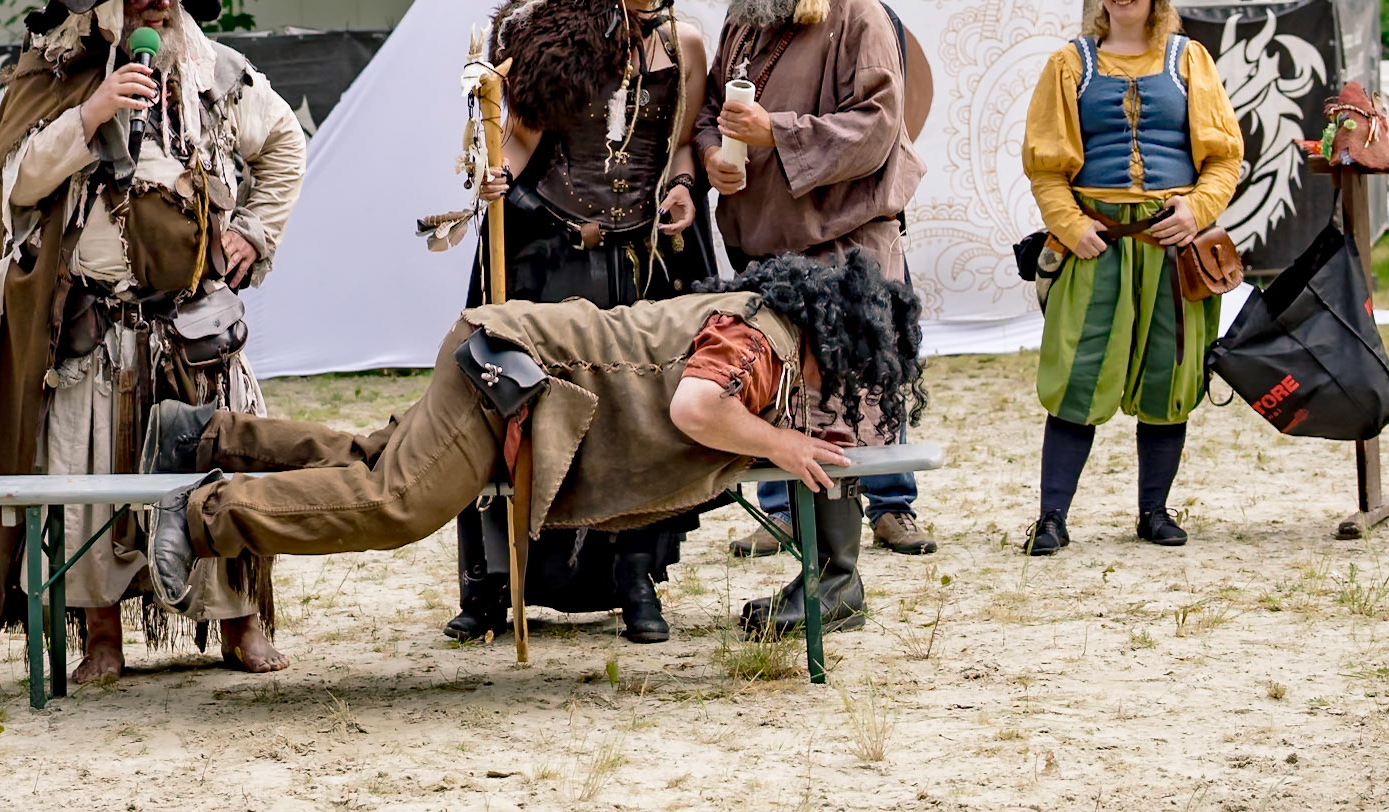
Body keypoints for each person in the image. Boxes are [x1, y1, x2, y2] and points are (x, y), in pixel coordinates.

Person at [139, 253, 927, 639]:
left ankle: (203, 433)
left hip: (516, 361)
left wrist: (786, 437)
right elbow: (696, 407)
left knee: (378, 462)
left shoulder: (765, 330)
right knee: (400, 504)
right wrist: (782, 446)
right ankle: (203, 511)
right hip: (511, 377)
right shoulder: (763, 341)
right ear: (847, 340)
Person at [0, 0, 306, 680]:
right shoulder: (53, 74)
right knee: (86, 486)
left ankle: (239, 624)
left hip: (195, 326)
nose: (159, 2)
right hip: (98, 329)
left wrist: (254, 230)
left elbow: (284, 142)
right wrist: (94, 111)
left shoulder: (214, 72)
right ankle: (104, 639)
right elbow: (15, 181)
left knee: (222, 474)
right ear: (105, 2)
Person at [443, 0, 715, 645]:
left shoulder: (686, 43)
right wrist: (494, 177)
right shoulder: (553, 35)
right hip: (547, 254)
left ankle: (636, 580)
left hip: (640, 264)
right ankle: (491, 587)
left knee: (640, 418)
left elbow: (682, 140)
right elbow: (516, 134)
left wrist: (682, 188)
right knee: (513, 406)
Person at [691, 0, 931, 626]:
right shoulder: (746, 16)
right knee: (788, 419)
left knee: (831, 418)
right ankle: (817, 577)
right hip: (769, 257)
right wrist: (710, 155)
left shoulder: (858, 15)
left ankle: (836, 585)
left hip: (842, 259)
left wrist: (779, 136)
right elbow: (707, 113)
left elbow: (878, 128)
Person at [1019, 0, 1243, 555]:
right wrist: (1070, 226)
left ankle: (1154, 512)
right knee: (1077, 375)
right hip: (1099, 245)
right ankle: (1053, 517)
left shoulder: (1189, 60)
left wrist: (1196, 209)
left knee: (1167, 379)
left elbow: (1224, 159)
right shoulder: (1070, 63)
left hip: (1174, 253)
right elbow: (1046, 166)